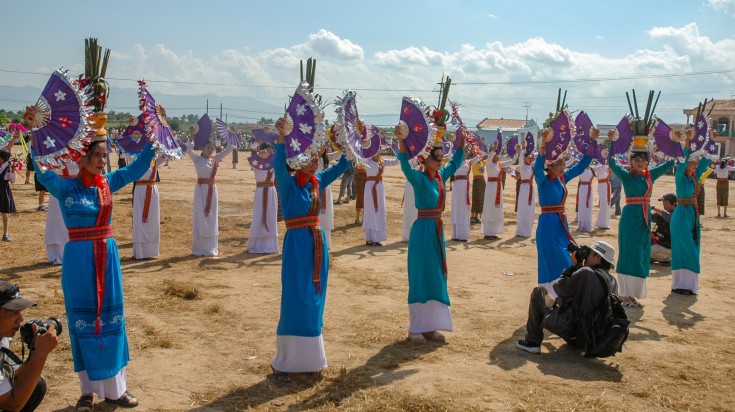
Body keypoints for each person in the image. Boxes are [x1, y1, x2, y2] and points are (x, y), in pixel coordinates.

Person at [34, 138, 155, 410]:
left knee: (112, 321)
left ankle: (117, 389)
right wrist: (33, 134)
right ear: (82, 157)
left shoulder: (108, 183)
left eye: (104, 155)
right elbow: (41, 171)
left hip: (107, 259)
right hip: (78, 261)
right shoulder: (65, 187)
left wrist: (151, 142)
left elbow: (136, 170)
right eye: (97, 155)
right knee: (83, 322)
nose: (103, 160)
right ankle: (87, 392)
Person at [270, 116, 350, 381]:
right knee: (297, 297)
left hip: (318, 245)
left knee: (316, 297)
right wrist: (282, 136)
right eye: (309, 158)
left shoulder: (317, 183)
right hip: (297, 246)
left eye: (317, 158)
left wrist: (351, 142)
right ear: (297, 162)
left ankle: (311, 360)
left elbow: (341, 167)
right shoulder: (289, 184)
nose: (315, 161)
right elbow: (278, 165)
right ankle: (288, 362)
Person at [395, 125, 466, 344]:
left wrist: (460, 142)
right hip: (422, 230)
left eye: (440, 158)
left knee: (436, 275)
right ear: (425, 160)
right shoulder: (418, 178)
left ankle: (432, 326)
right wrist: (400, 140)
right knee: (420, 275)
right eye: (436, 158)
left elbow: (455, 163)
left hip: (436, 231)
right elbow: (405, 165)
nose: (440, 162)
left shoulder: (440, 177)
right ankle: (416, 327)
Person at [516, 241, 618, 354]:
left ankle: (532, 343)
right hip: (592, 337)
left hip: (571, 330)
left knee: (539, 292)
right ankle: (578, 343)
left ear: (597, 256)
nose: (586, 256)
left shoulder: (586, 272)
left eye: (589, 253)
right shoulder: (612, 281)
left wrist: (574, 267)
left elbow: (559, 288)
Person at [608, 137, 674, 307]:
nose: (640, 163)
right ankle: (623, 295)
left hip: (645, 219)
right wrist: (613, 142)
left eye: (643, 160)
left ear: (647, 163)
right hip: (630, 218)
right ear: (631, 161)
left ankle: (632, 294)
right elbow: (611, 163)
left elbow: (669, 164)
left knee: (641, 253)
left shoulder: (650, 175)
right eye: (636, 160)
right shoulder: (626, 175)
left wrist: (675, 142)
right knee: (629, 253)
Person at [535, 133, 593, 297]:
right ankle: (550, 294)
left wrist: (593, 142)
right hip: (547, 225)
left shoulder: (562, 179)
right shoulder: (543, 181)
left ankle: (561, 293)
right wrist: (543, 146)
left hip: (561, 224)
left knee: (567, 258)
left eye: (562, 163)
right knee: (554, 259)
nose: (563, 166)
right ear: (550, 166)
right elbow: (537, 169)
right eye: (559, 163)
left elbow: (581, 167)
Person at [0, 282, 58, 412]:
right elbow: (11, 404)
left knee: (36, 386)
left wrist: (34, 351)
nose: (21, 319)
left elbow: (14, 378)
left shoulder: (2, 338)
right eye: (13, 314)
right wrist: (41, 354)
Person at [670, 147, 712, 295]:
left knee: (694, 247)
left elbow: (706, 160)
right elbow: (681, 164)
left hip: (692, 215)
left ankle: (690, 285)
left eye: (696, 161)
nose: (695, 164)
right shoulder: (680, 176)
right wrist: (687, 146)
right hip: (681, 215)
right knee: (685, 249)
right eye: (692, 161)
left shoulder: (695, 176)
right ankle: (679, 284)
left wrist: (711, 141)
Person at [185, 139, 234, 256]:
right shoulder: (197, 159)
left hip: (212, 190)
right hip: (201, 190)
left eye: (212, 147)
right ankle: (199, 248)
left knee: (211, 217)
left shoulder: (215, 159)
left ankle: (211, 248)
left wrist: (231, 136)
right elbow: (188, 149)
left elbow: (229, 149)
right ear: (202, 148)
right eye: (207, 147)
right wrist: (192, 134)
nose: (210, 150)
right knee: (201, 216)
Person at [127, 155, 165, 260]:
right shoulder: (136, 159)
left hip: (152, 191)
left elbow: (166, 155)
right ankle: (140, 251)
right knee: (140, 220)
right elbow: (126, 154)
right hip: (140, 190)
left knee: (152, 220)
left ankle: (150, 250)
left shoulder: (155, 161)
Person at [481, 143, 518, 240]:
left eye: (497, 154)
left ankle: (493, 232)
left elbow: (512, 161)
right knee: (490, 208)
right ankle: (487, 233)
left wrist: (517, 152)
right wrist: (494, 149)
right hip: (490, 188)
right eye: (496, 154)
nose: (497, 156)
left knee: (496, 209)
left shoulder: (500, 164)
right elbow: (489, 158)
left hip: (498, 188)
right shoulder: (488, 164)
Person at [45, 160, 79, 263]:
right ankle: (56, 253)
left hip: (76, 190)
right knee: (56, 221)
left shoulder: (80, 153)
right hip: (58, 190)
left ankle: (76, 251)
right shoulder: (53, 154)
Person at [247, 143, 278, 254]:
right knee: (258, 216)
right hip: (260, 192)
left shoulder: (275, 161)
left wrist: (272, 153)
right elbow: (252, 149)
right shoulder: (255, 162)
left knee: (271, 216)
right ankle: (256, 244)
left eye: (269, 150)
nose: (267, 152)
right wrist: (260, 149)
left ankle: (270, 245)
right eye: (266, 150)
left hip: (271, 191)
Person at [362, 153, 399, 246]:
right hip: (370, 188)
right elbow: (358, 163)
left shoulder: (382, 161)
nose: (378, 152)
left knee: (379, 211)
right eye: (376, 150)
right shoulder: (366, 161)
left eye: (379, 150)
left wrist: (399, 150)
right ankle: (369, 238)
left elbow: (395, 161)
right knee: (370, 212)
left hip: (379, 187)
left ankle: (377, 238)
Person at [450, 147, 480, 241]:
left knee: (464, 208)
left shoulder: (469, 162)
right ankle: (455, 235)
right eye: (463, 152)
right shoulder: (454, 161)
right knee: (456, 207)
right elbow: (449, 151)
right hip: (457, 186)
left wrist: (476, 147)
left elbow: (480, 156)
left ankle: (462, 235)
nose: (465, 154)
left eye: (466, 152)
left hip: (465, 187)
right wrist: (451, 143)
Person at [515, 153, 537, 237]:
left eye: (532, 157)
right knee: (522, 208)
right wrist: (524, 148)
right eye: (529, 157)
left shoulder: (533, 166)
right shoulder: (522, 165)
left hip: (531, 189)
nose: (531, 159)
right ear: (524, 158)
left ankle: (527, 231)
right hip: (523, 189)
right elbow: (520, 156)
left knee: (529, 210)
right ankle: (520, 231)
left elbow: (541, 160)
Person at [650, 193, 675, 266]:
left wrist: (653, 208)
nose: (664, 205)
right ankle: (659, 258)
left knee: (647, 252)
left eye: (666, 203)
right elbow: (651, 217)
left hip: (670, 247)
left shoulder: (677, 214)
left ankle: (666, 259)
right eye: (663, 203)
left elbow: (669, 217)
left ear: (673, 203)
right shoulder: (662, 214)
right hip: (660, 244)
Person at [0, 150, 16, 242]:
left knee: (4, 213)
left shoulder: (9, 167)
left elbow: (13, 181)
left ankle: (5, 234)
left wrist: (13, 171)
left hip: (3, 191)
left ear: (2, 159)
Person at [593, 160, 611, 229]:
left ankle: (605, 222)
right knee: (604, 204)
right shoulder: (598, 167)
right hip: (602, 186)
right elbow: (595, 171)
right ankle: (601, 223)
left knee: (607, 204)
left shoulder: (605, 167)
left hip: (607, 185)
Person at [575, 166, 595, 232]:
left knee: (588, 206)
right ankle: (583, 224)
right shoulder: (582, 169)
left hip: (587, 188)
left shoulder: (591, 170)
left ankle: (586, 224)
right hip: (584, 188)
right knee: (582, 206)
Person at [470, 158, 486, 223]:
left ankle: (476, 216)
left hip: (482, 182)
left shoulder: (482, 162)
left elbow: (489, 159)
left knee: (480, 199)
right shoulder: (473, 162)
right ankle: (472, 216)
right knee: (475, 198)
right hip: (476, 182)